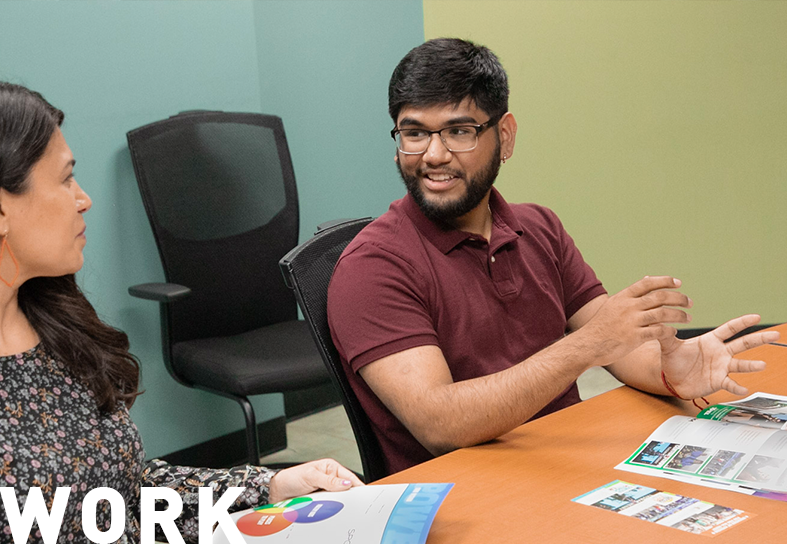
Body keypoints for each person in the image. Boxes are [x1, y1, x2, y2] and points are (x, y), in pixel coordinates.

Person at [0, 78, 362, 543]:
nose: (83, 198)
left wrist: (262, 488)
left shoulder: (58, 331)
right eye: (66, 176)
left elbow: (117, 496)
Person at [327, 38, 780, 475]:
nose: (434, 154)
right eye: (414, 133)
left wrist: (670, 370)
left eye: (459, 131)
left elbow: (618, 347)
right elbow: (441, 425)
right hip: (468, 498)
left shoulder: (539, 226)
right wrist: (584, 347)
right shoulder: (371, 268)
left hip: (563, 465)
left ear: (504, 135)